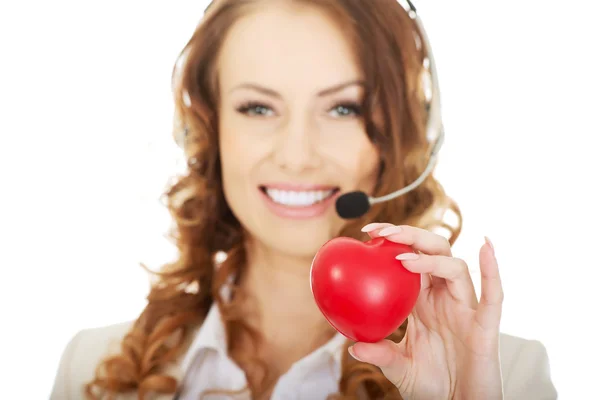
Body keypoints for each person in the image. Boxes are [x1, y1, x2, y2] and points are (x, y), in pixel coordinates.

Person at [50, 0, 558, 399]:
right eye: (257, 107)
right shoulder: (89, 369)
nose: (297, 156)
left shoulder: (506, 377)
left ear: (400, 132)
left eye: (342, 108)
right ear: (206, 130)